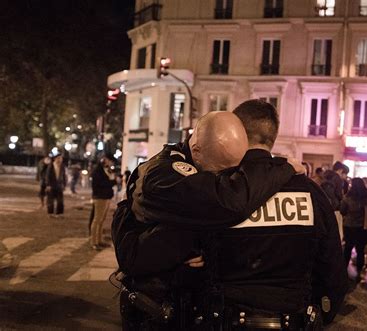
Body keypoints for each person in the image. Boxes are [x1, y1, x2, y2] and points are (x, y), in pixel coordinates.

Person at [115, 110, 300, 330]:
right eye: (222, 170)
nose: (226, 177)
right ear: (197, 151)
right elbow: (230, 202)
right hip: (153, 311)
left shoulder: (183, 165)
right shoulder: (162, 177)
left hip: (174, 303)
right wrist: (282, 168)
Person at [211, 99, 347, 329]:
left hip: (227, 317)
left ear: (238, 133)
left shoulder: (221, 188)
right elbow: (332, 268)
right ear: (272, 137)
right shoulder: (311, 192)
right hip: (292, 317)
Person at [340, 177, 367, 281]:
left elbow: (342, 210)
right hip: (362, 227)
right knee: (360, 250)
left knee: (347, 249)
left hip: (349, 226)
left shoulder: (347, 197)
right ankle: (359, 273)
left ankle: (343, 271)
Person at [90, 153, 116, 250]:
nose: (110, 163)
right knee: (97, 220)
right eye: (110, 161)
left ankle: (99, 240)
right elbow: (101, 183)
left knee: (101, 220)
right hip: (100, 197)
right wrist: (112, 182)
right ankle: (94, 242)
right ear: (105, 159)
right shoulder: (98, 170)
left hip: (106, 197)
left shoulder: (106, 169)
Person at [321, 161, 350, 241]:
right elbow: (339, 195)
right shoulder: (337, 178)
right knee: (337, 233)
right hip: (335, 208)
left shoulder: (325, 177)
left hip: (325, 207)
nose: (346, 176)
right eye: (345, 173)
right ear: (340, 170)